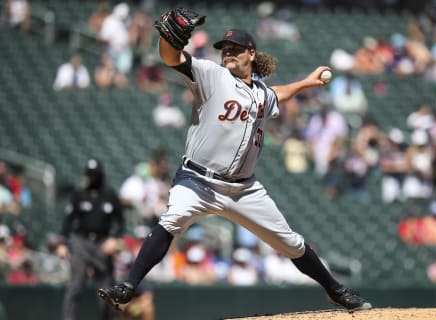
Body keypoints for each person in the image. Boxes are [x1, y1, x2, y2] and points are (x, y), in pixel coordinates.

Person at [98, 8, 372, 312]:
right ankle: (129, 285)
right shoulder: (212, 75)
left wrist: (306, 84)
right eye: (224, 49)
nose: (227, 53)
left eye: (234, 49)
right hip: (198, 180)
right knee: (171, 220)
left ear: (251, 54)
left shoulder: (261, 94)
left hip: (244, 190)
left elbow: (276, 95)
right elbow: (171, 58)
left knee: (291, 243)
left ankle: (335, 290)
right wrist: (169, 38)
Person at [57, 159, 125, 320]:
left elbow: (121, 222)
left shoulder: (109, 194)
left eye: (95, 174)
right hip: (82, 242)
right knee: (75, 287)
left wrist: (114, 239)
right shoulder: (79, 194)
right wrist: (62, 243)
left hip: (102, 244)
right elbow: (68, 220)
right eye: (89, 173)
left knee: (106, 291)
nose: (92, 177)